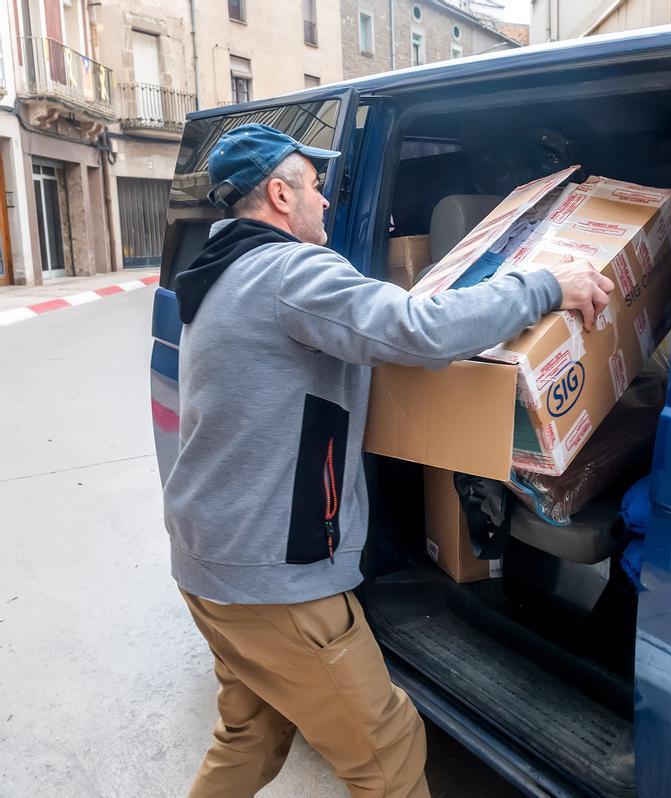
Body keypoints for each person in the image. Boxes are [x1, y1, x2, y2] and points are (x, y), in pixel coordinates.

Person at [162, 124, 613, 797]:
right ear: (279, 196)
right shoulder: (289, 271)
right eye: (314, 189)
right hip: (272, 581)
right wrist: (544, 285)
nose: (325, 203)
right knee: (390, 753)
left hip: (211, 564)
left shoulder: (222, 271)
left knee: (250, 735)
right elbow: (419, 331)